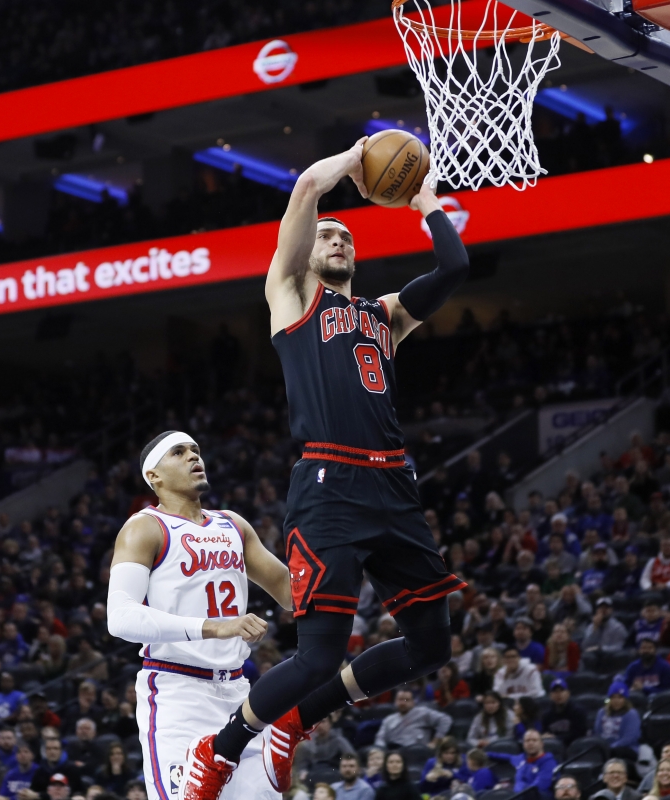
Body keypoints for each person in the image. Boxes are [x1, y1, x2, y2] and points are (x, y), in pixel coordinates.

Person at [185, 146, 470, 800]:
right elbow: (309, 185)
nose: (337, 239)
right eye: (326, 235)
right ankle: (220, 750)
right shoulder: (289, 296)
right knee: (318, 654)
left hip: (393, 485)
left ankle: (296, 721)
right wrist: (363, 156)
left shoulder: (385, 314)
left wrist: (424, 199)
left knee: (431, 646)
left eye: (346, 237)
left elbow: (455, 266)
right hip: (329, 486)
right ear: (307, 252)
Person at [105, 432, 291, 800]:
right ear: (154, 476)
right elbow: (120, 617)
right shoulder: (144, 527)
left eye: (196, 450)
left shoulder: (233, 524)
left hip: (239, 694)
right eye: (179, 452)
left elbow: (290, 592)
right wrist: (214, 628)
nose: (193, 456)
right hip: (179, 694)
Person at [373, 688, 452, 749]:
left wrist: (435, 741)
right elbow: (380, 738)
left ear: (413, 702)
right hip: (394, 753)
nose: (403, 703)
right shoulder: (388, 719)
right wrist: (381, 750)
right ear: (395, 701)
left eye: (406, 700)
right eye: (400, 699)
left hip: (417, 751)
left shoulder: (422, 712)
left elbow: (445, 719)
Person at [488, 729, 558, 797]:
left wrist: (515, 788)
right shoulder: (521, 758)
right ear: (523, 745)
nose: (530, 743)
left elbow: (540, 787)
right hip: (519, 794)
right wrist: (484, 754)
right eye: (527, 741)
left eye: (534, 740)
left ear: (541, 744)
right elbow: (502, 756)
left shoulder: (548, 762)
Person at [595, 682, 642, 759]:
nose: (616, 701)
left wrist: (610, 748)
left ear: (625, 699)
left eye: (620, 697)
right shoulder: (601, 713)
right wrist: (604, 747)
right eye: (613, 697)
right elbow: (598, 733)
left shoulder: (631, 714)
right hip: (606, 749)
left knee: (615, 752)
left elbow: (629, 738)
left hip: (627, 748)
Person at [542, 678, 589, 747]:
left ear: (568, 693)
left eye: (562, 691)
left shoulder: (578, 712)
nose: (558, 694)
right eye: (555, 691)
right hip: (554, 748)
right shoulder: (546, 715)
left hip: (575, 748)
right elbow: (545, 734)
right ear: (550, 695)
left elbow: (579, 734)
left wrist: (555, 738)